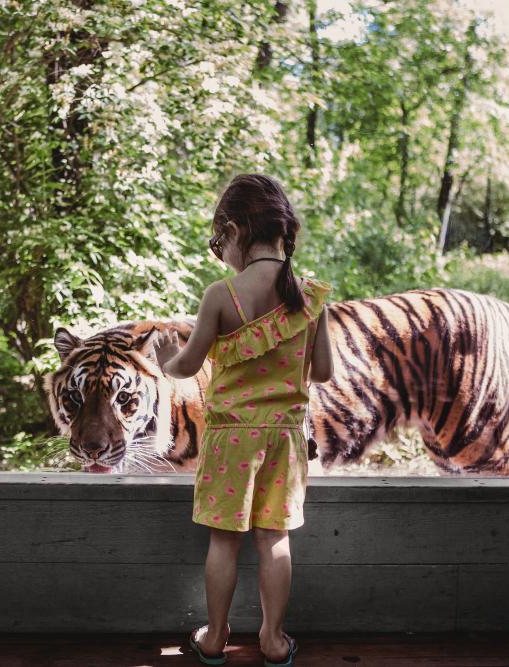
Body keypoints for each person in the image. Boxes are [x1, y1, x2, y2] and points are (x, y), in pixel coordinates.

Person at [151, 173, 334, 666]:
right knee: (276, 540)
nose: (220, 253)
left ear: (235, 229)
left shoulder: (221, 295)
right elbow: (323, 371)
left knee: (224, 542)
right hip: (285, 442)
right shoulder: (310, 297)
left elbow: (187, 367)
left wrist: (165, 358)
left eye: (219, 242)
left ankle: (214, 638)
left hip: (231, 440)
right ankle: (274, 640)